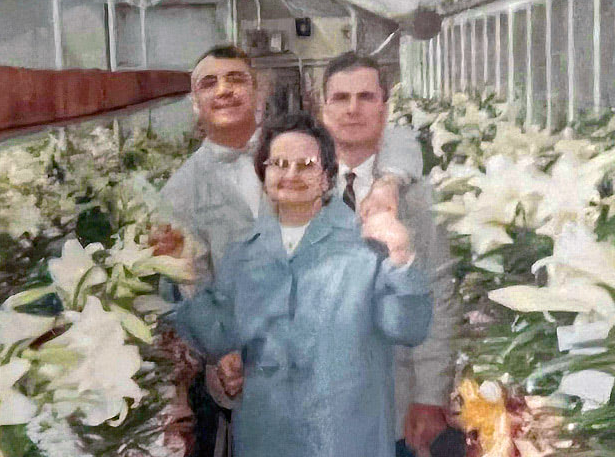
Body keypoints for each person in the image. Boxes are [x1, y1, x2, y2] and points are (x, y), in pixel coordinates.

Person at [170, 112, 432, 457]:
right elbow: (216, 333)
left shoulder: (364, 246)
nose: (290, 175)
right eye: (278, 164)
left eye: (305, 164)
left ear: (328, 176)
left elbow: (409, 326)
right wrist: (178, 278)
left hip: (346, 455)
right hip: (272, 455)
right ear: (263, 175)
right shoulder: (245, 253)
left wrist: (401, 259)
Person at [160, 45, 424, 400]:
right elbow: (191, 284)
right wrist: (222, 353)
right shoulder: (178, 191)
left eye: (236, 79)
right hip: (253, 368)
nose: (224, 90)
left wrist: (389, 181)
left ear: (258, 92)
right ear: (195, 101)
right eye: (210, 83)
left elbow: (397, 137)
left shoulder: (299, 143)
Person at [319, 52, 459, 457]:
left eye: (366, 97)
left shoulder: (416, 199)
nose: (353, 109)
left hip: (391, 402)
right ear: (322, 107)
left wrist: (430, 393)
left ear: (385, 107)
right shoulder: (294, 185)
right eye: (341, 97)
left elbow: (437, 293)